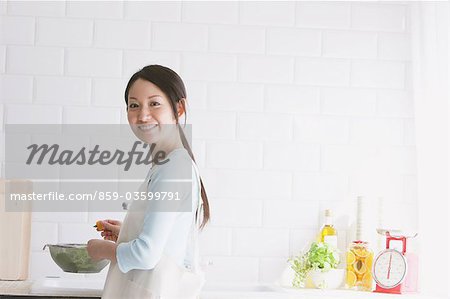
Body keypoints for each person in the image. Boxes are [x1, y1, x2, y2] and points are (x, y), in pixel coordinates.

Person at [86, 65, 210, 299]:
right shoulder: (173, 163)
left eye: (154, 103)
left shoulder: (173, 167)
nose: (142, 115)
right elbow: (167, 245)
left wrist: (100, 249)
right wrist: (127, 233)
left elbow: (146, 255)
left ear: (179, 108)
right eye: (134, 105)